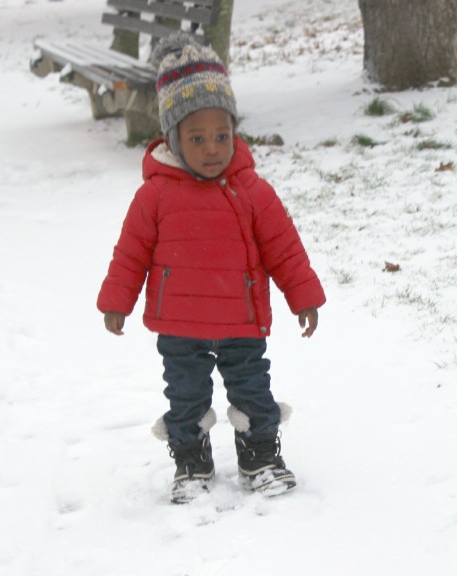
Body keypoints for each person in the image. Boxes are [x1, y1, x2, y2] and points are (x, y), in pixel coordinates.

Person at [97, 33, 326, 504]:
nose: (212, 149)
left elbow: (284, 247)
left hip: (241, 323)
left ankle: (260, 455)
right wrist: (117, 301)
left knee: (252, 391)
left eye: (222, 135)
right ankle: (190, 461)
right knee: (185, 397)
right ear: (173, 137)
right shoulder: (155, 195)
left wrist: (302, 296)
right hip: (180, 328)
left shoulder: (251, 190)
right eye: (197, 138)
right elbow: (131, 252)